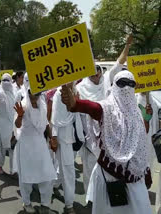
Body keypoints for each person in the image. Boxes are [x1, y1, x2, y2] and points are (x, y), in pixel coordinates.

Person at [61, 70, 153, 214]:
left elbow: (141, 146)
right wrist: (74, 103)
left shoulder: (136, 113)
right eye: (122, 83)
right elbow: (92, 108)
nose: (127, 87)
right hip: (109, 177)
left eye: (131, 83)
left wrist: (146, 172)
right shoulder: (108, 108)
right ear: (114, 86)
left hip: (134, 179)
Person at [75, 35, 133, 197]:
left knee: (109, 171)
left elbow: (119, 63)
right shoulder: (80, 88)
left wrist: (127, 45)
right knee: (90, 170)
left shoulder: (107, 80)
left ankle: (109, 199)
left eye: (98, 72)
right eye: (93, 73)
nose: (97, 75)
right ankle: (92, 200)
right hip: (89, 137)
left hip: (110, 134)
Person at [13, 85, 57, 214]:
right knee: (26, 176)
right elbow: (17, 125)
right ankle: (27, 203)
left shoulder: (42, 104)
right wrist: (20, 116)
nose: (35, 95)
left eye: (38, 92)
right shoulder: (23, 105)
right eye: (33, 92)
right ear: (28, 92)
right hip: (26, 144)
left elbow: (45, 123)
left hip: (40, 144)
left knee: (47, 175)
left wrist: (51, 138)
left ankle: (45, 204)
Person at [51, 81, 84, 214]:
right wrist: (54, 136)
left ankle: (50, 185)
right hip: (63, 137)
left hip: (74, 135)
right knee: (69, 171)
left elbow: (78, 114)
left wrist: (76, 101)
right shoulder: (59, 94)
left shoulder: (75, 91)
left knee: (64, 168)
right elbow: (56, 116)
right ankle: (69, 205)